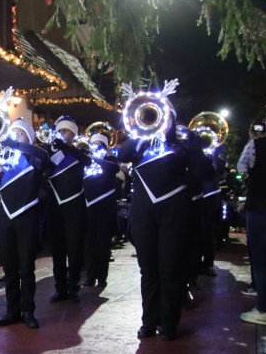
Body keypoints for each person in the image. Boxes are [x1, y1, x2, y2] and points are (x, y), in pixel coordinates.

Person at [118, 88, 213, 340]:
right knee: (148, 269)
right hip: (143, 209)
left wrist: (193, 147)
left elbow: (205, 174)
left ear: (170, 114)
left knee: (170, 268)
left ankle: (168, 323)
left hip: (174, 208)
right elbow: (121, 154)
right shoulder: (138, 141)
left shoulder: (181, 141)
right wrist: (140, 134)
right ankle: (149, 320)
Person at [0, 119, 49, 329]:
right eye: (12, 133)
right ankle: (12, 311)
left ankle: (28, 311)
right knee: (10, 269)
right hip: (6, 216)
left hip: (27, 216)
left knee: (26, 267)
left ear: (29, 138)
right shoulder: (4, 159)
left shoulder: (33, 157)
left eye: (20, 133)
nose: (15, 136)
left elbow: (44, 157)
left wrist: (17, 144)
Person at [237, 96, 266, 325]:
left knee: (262, 263)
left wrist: (254, 139)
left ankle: (263, 310)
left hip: (261, 211)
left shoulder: (257, 145)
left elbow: (242, 168)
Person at [46, 116, 91, 303]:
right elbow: (43, 168)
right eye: (61, 130)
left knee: (74, 247)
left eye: (66, 131)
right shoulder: (50, 150)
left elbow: (87, 162)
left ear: (73, 133)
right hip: (54, 204)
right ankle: (60, 288)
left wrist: (66, 147)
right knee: (57, 248)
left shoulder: (80, 149)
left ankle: (73, 286)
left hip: (74, 204)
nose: (63, 134)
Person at [82, 131, 120, 288]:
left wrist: (97, 158)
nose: (96, 147)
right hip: (89, 205)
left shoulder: (110, 159)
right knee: (90, 242)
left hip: (105, 205)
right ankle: (90, 275)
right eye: (94, 144)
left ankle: (102, 277)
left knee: (103, 242)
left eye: (99, 145)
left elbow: (115, 169)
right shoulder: (87, 160)